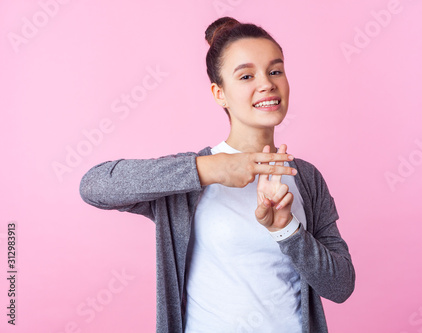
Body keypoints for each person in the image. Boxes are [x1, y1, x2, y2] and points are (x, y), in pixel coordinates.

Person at [79, 16, 355, 333]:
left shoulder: (305, 177)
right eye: (246, 75)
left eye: (275, 71)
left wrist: (287, 230)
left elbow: (341, 286)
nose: (266, 83)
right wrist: (210, 168)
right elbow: (95, 186)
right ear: (219, 93)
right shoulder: (190, 178)